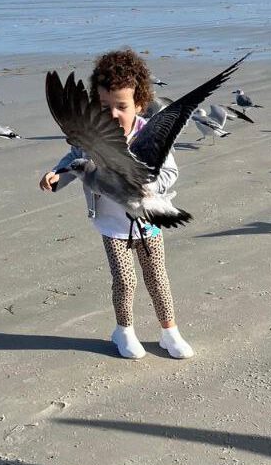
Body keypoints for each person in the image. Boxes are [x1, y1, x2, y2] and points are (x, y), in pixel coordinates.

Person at [39, 49, 194, 360]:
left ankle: (169, 331)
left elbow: (171, 171)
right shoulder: (90, 143)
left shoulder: (147, 135)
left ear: (139, 105)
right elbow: (74, 161)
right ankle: (124, 330)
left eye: (121, 106)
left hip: (148, 218)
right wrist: (57, 175)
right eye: (104, 106)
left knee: (157, 277)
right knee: (125, 280)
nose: (112, 114)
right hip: (112, 224)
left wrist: (149, 186)